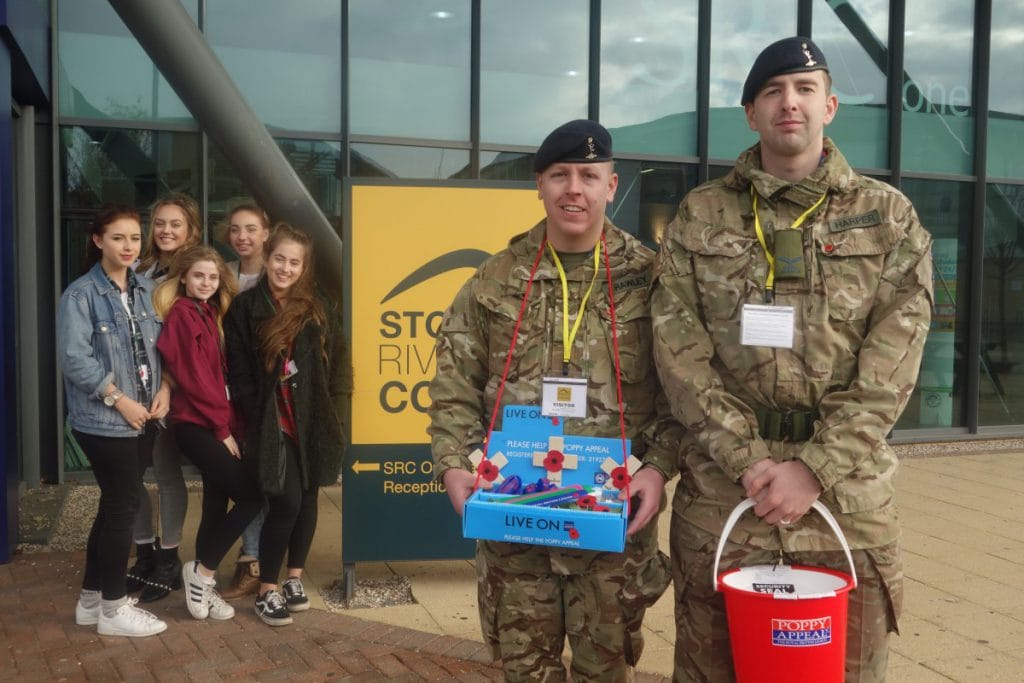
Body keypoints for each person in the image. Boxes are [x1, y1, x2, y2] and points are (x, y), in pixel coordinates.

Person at [649, 37, 934, 681]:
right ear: (750, 113)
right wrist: (750, 462)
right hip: (725, 501)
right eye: (773, 91)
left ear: (829, 106)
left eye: (805, 90)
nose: (790, 103)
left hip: (845, 507)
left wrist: (813, 468)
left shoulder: (887, 219)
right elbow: (678, 355)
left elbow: (892, 367)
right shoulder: (699, 217)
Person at [427, 119, 681, 681]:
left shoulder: (653, 280)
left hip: (612, 531)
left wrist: (659, 470)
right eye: (560, 174)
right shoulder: (494, 281)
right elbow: (453, 389)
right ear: (538, 185)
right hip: (517, 530)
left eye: (590, 175)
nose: (575, 188)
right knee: (524, 672)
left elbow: (682, 395)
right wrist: (452, 465)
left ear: (611, 186)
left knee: (606, 672)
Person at [224, 224, 351, 627]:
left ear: (304, 266)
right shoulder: (245, 308)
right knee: (287, 502)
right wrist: (248, 418)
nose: (285, 268)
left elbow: (340, 364)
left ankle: (294, 578)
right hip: (270, 421)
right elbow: (238, 370)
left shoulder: (318, 306)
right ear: (267, 256)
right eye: (279, 258)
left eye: (294, 262)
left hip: (314, 418)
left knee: (310, 498)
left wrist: (337, 413)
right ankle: (267, 590)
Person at [57, 203, 170, 637]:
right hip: (105, 421)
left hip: (143, 417)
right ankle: (113, 608)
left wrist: (165, 390)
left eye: (135, 238)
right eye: (119, 237)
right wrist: (119, 399)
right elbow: (74, 359)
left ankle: (90, 600)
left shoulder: (145, 289)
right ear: (98, 240)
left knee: (113, 506)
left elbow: (160, 351)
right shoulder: (80, 295)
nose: (128, 245)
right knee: (124, 506)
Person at [153, 245, 263, 621]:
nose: (205, 282)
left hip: (215, 422)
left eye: (212, 277)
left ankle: (204, 583)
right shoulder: (184, 315)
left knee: (216, 504)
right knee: (251, 497)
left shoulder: (210, 312)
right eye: (198, 275)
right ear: (184, 276)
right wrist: (222, 430)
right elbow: (197, 381)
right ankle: (202, 573)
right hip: (198, 425)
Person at [127, 192, 205, 603]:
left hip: (169, 390)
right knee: (132, 474)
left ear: (190, 229)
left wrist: (168, 388)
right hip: (132, 389)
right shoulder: (138, 267)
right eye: (160, 223)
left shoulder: (194, 273)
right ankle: (144, 553)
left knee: (165, 473)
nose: (166, 230)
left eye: (175, 224)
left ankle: (170, 559)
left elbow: (193, 342)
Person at [218, 201, 272, 601]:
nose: (243, 237)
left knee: (270, 476)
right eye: (236, 229)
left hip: (271, 387)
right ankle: (250, 557)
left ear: (266, 233)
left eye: (251, 229)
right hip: (230, 385)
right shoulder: (224, 275)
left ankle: (261, 560)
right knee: (246, 472)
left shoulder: (281, 271)